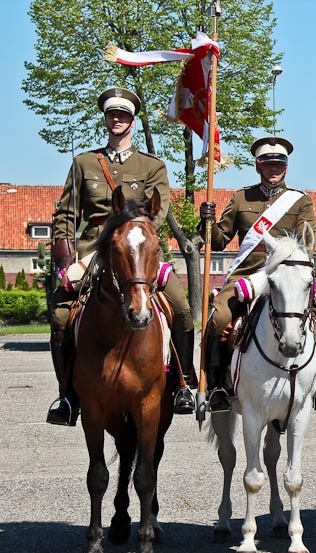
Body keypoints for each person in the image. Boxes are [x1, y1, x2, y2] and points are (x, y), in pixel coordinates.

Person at [47, 87, 196, 426]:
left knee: (182, 308)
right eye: (112, 114)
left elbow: (159, 212)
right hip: (93, 250)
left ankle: (184, 384)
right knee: (59, 316)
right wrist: (64, 255)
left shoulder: (152, 165)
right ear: (105, 119)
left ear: (132, 121)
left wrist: (138, 239)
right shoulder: (83, 162)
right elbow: (66, 214)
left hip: (139, 251)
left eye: (123, 115)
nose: (117, 119)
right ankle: (67, 395)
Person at [199, 136, 316, 412]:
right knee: (218, 319)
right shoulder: (242, 198)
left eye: (279, 163)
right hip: (249, 272)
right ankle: (217, 387)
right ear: (258, 166)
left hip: (288, 272)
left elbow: (305, 243)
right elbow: (217, 241)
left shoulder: (301, 201)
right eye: (267, 163)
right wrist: (206, 222)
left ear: (286, 167)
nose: (273, 168)